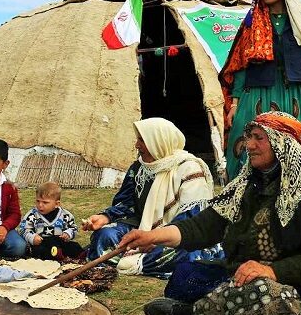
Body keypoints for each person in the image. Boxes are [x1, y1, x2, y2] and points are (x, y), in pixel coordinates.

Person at [122, 112, 301, 315]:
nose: (249, 145)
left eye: (259, 138)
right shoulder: (246, 184)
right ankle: (220, 310)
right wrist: (153, 236)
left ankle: (189, 314)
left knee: (258, 293)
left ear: (282, 143)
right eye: (249, 137)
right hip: (244, 274)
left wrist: (271, 271)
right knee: (186, 274)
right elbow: (205, 225)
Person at [221, 0, 301, 180]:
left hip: (298, 96)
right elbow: (241, 65)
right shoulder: (251, 24)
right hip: (257, 95)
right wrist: (234, 103)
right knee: (250, 148)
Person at [82, 118, 222, 276]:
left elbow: (193, 216)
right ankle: (133, 260)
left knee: (187, 253)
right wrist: (105, 217)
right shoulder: (139, 168)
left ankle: (129, 261)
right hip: (142, 229)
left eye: (142, 140)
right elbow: (127, 203)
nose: (137, 145)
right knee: (105, 235)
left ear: (158, 142)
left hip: (176, 234)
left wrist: (156, 238)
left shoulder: (189, 169)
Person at [18, 182, 83, 260]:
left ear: (56, 204)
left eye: (45, 202)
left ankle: (82, 255)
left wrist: (68, 233)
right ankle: (57, 255)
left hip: (60, 242)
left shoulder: (65, 215)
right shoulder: (32, 215)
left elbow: (74, 228)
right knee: (40, 250)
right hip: (42, 243)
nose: (40, 205)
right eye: (38, 201)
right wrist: (32, 237)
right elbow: (23, 229)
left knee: (74, 246)